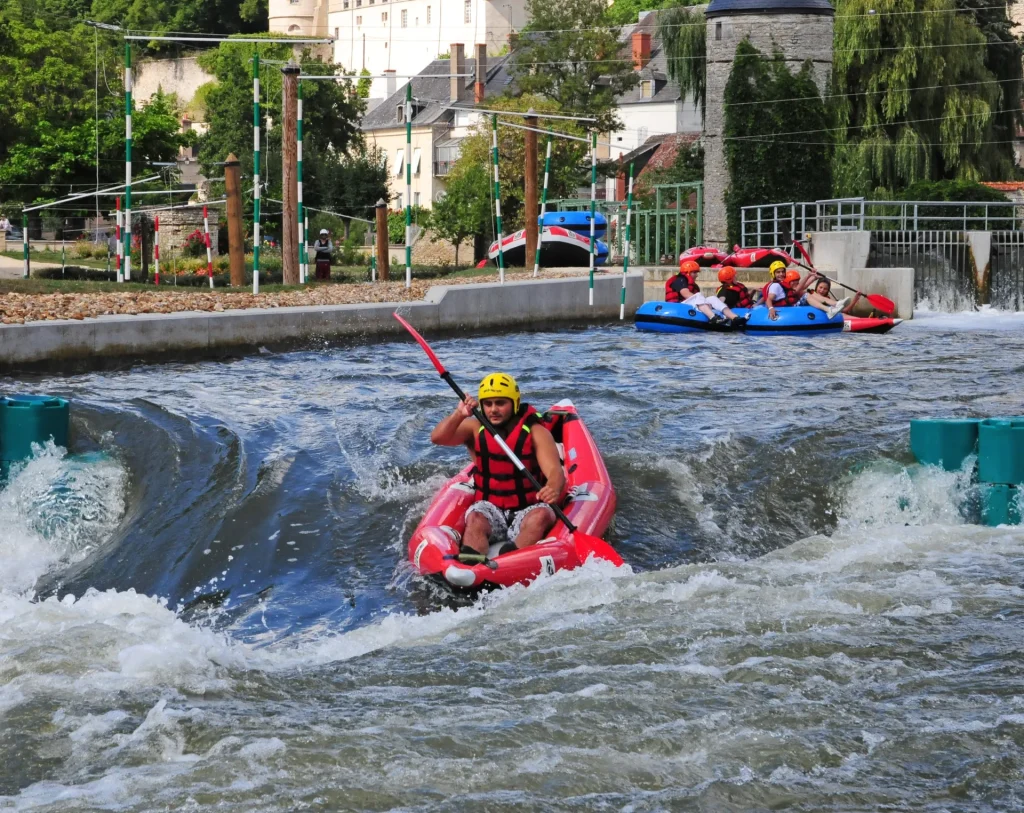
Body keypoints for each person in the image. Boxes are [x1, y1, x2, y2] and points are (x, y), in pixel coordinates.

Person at [430, 372, 565, 559]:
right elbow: (438, 438)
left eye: (500, 403)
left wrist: (552, 488)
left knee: (541, 516)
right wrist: (459, 414)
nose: (493, 409)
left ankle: (511, 560)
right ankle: (472, 565)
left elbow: (554, 470)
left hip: (528, 507)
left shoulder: (536, 431)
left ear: (514, 403)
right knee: (475, 518)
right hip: (490, 506)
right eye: (488, 403)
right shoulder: (474, 429)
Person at [665, 259, 748, 327]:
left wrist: (705, 302)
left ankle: (734, 317)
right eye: (694, 272)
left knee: (712, 298)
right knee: (698, 295)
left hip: (689, 304)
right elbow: (685, 294)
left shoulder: (691, 284)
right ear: (687, 272)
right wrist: (703, 301)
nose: (697, 275)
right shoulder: (680, 279)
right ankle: (713, 318)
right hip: (679, 305)